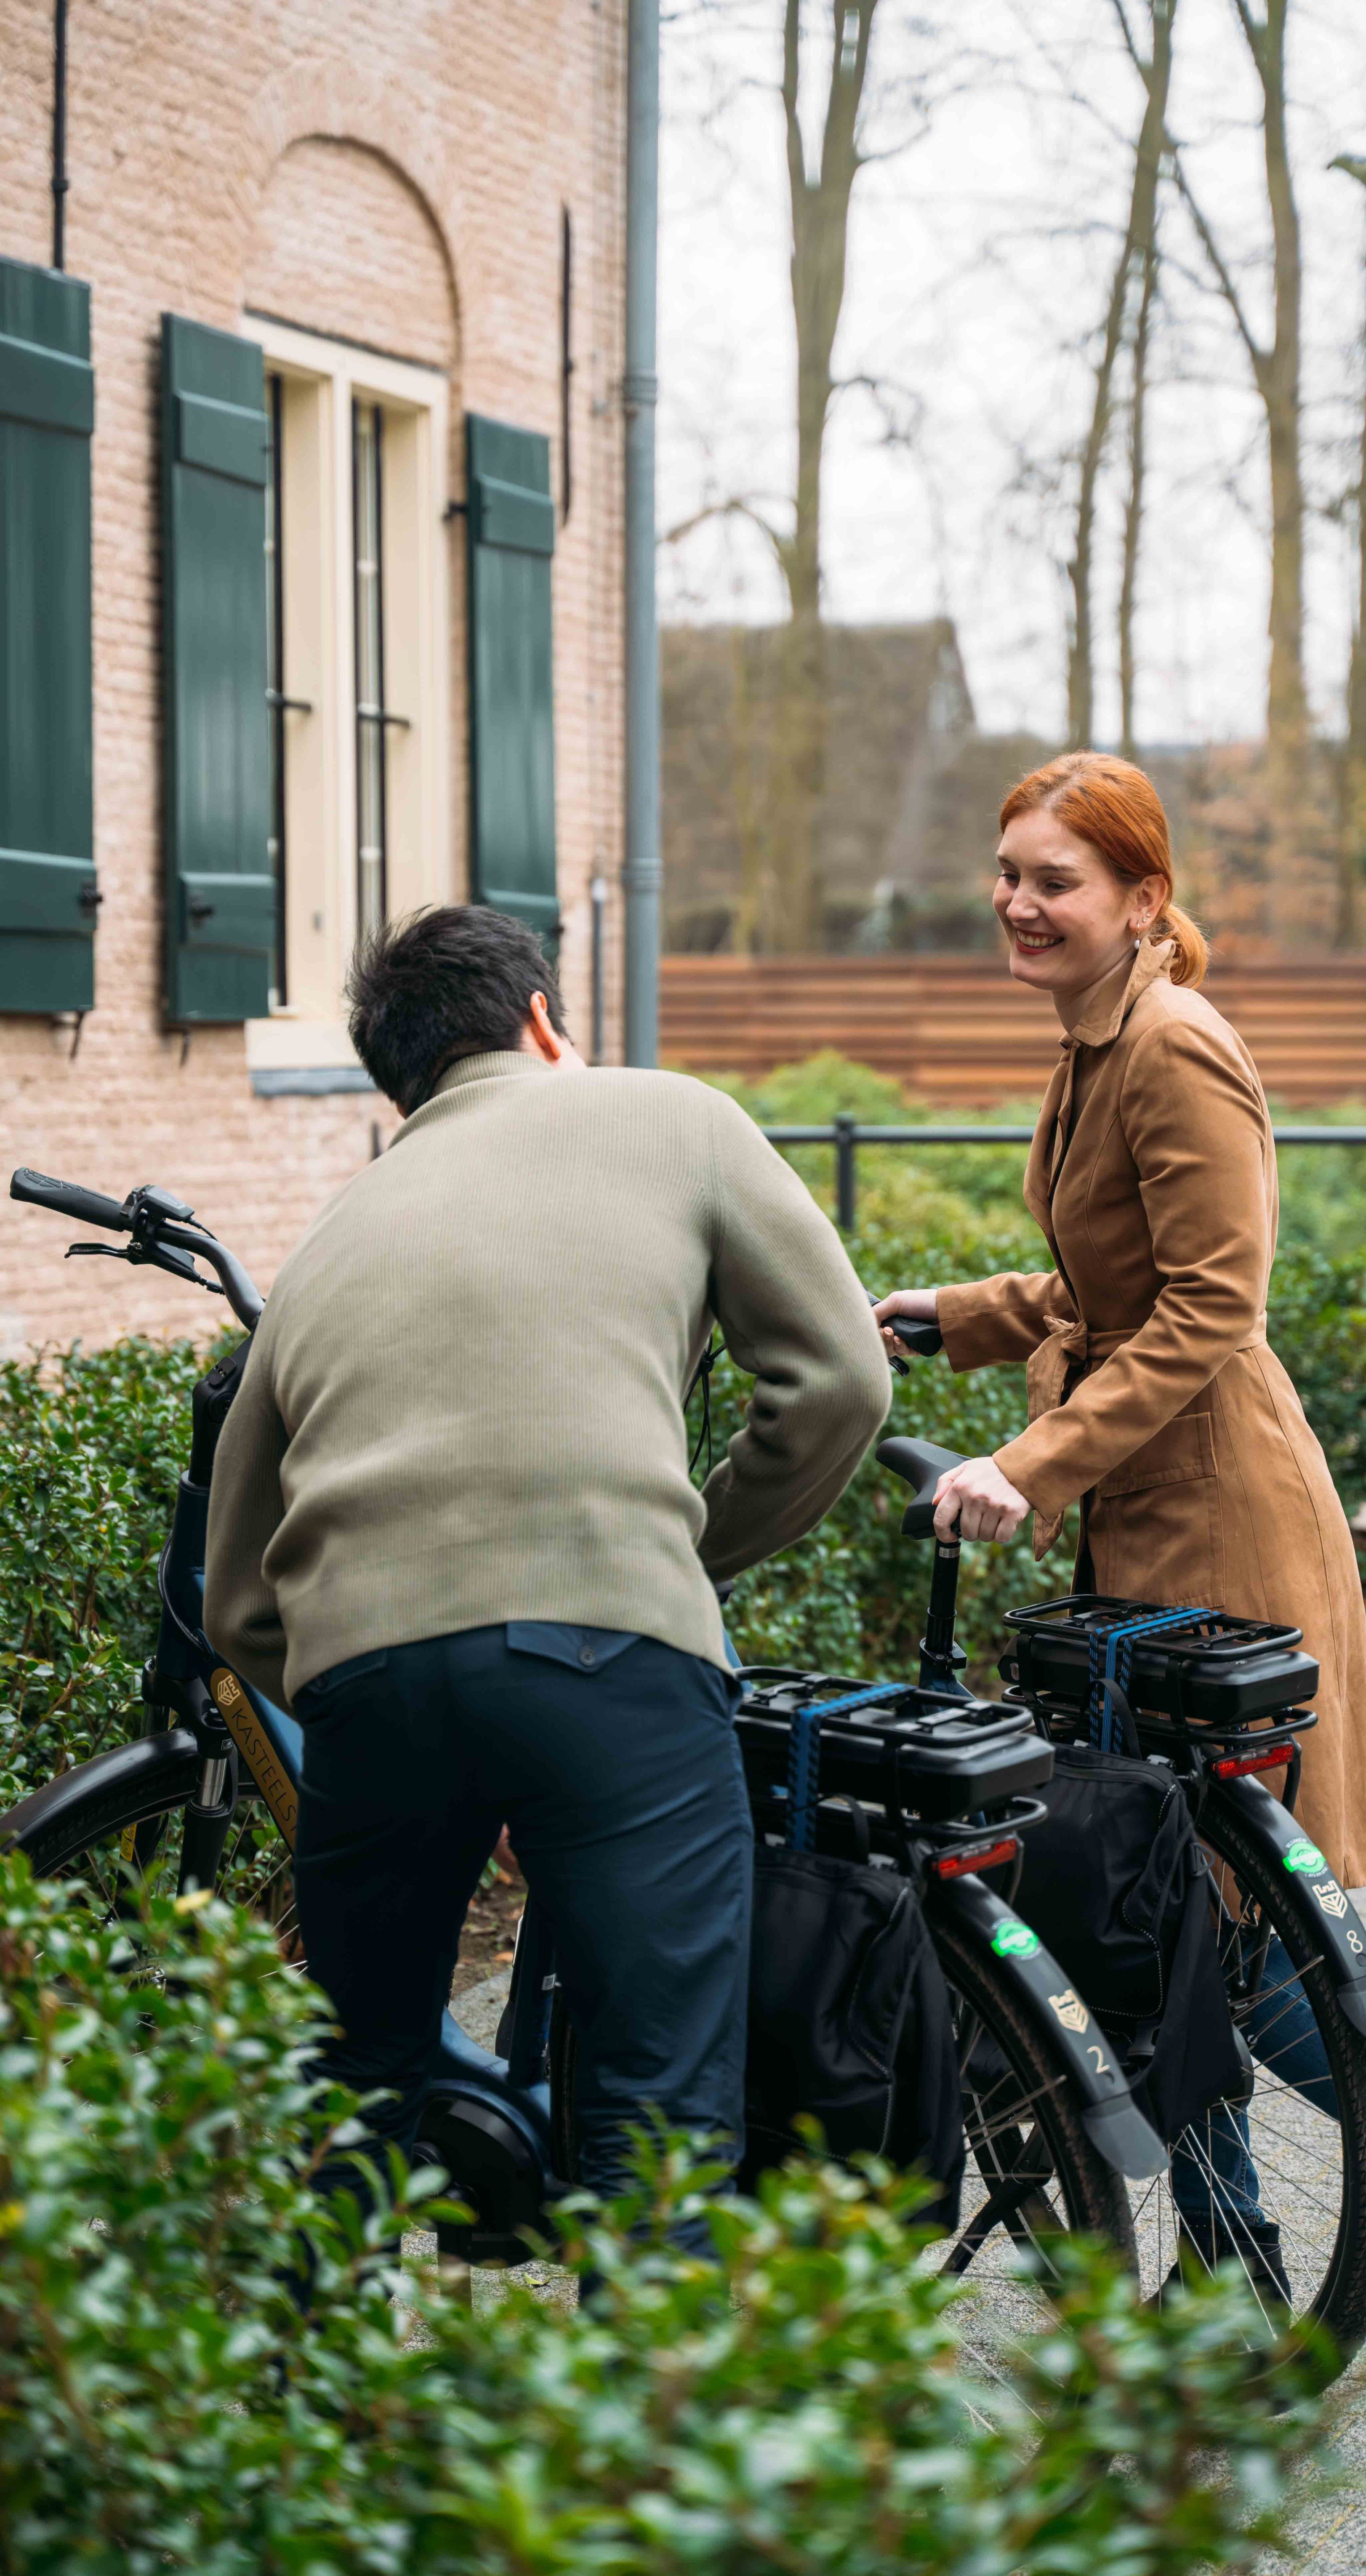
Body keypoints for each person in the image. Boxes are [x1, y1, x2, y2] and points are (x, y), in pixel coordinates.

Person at [874, 753, 1366, 2393]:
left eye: (1055, 878)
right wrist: (939, 1316)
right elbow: (1090, 1280)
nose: (1018, 901)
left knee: (1194, 1931)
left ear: (1140, 896)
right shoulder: (1096, 1039)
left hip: (1216, 1533)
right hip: (1151, 1526)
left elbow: (1208, 1311)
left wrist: (1025, 1464)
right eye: (1007, 871)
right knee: (1180, 1928)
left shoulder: (1176, 1048)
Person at [207, 903, 892, 2233]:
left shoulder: (329, 1242)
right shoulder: (678, 1119)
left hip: (368, 1683)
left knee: (354, 2077)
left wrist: (390, 1676)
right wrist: (680, 1558)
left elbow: (237, 1600)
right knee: (659, 2111)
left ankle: (313, 2409)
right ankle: (636, 2434)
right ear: (540, 1022)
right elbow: (839, 1383)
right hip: (614, 1648)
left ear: (401, 1081)